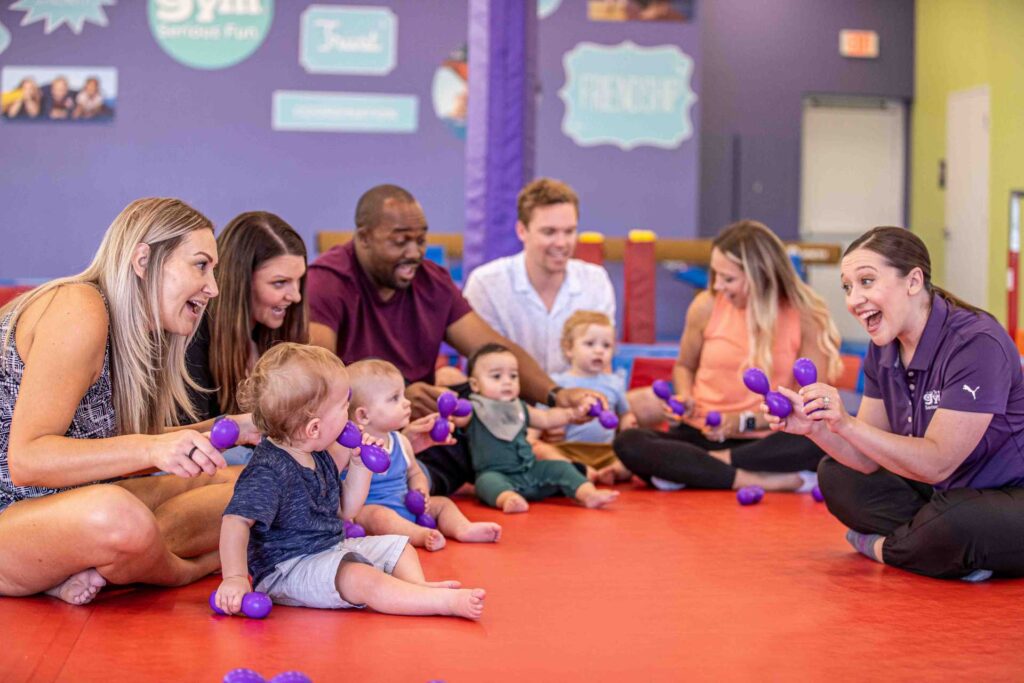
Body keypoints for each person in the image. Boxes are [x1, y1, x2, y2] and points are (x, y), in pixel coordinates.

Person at [0, 197, 249, 606]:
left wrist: (235, 429)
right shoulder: (78, 307)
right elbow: (27, 461)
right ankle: (176, 569)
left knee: (257, 486)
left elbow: (113, 444)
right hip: (16, 512)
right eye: (201, 265)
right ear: (143, 260)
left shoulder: (137, 332)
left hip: (61, 507)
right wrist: (153, 447)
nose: (214, 288)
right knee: (115, 515)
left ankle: (104, 564)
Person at [306, 184, 603, 497]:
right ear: (363, 238)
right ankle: (408, 482)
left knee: (486, 396)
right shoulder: (328, 281)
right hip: (359, 430)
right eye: (400, 242)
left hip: (419, 423)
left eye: (420, 240)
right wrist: (392, 396)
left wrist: (557, 395)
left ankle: (425, 480)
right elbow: (320, 377)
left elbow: (491, 348)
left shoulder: (432, 281)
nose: (413, 252)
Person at [766, 227, 1024, 581]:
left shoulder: (976, 342)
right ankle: (937, 547)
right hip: (944, 494)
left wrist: (847, 422)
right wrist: (815, 428)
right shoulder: (884, 346)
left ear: (913, 281)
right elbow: (866, 458)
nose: (853, 299)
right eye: (847, 287)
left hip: (1006, 493)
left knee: (958, 521)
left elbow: (937, 463)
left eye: (866, 281)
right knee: (836, 475)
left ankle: (889, 548)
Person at [214, 343, 486, 620]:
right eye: (345, 406)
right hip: (287, 569)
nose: (350, 414)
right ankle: (439, 602)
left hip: (329, 550)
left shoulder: (318, 455)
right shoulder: (268, 470)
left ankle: (416, 590)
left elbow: (347, 510)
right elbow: (235, 521)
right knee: (361, 578)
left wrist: (359, 467)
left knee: (399, 546)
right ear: (314, 428)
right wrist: (235, 577)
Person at [613, 220, 843, 492]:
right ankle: (757, 480)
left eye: (729, 278)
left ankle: (698, 469)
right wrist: (684, 397)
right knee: (629, 441)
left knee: (822, 434)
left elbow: (807, 403)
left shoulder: (806, 316)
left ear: (759, 275)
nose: (718, 285)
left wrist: (741, 422)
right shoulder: (705, 305)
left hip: (767, 440)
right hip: (700, 433)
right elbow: (685, 366)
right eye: (715, 275)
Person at [342, 359, 502, 550]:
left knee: (443, 503)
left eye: (403, 395)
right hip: (369, 511)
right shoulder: (351, 448)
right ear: (363, 416)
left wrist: (421, 491)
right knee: (379, 517)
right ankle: (420, 535)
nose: (406, 402)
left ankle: (462, 528)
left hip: (405, 504)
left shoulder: (401, 442)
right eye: (395, 398)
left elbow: (414, 473)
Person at [462, 178, 615, 376]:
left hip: (580, 401)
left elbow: (602, 367)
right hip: (507, 403)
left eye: (569, 231)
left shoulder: (596, 281)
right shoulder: (486, 284)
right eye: (549, 232)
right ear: (522, 231)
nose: (561, 243)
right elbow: (482, 368)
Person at [466, 343, 619, 513]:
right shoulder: (473, 409)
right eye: (496, 376)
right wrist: (450, 409)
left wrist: (572, 414)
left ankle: (588, 494)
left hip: (531, 471)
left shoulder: (520, 407)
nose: (507, 382)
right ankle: (508, 499)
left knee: (562, 468)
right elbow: (457, 418)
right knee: (485, 483)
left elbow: (546, 418)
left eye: (513, 376)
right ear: (475, 385)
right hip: (497, 474)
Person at [185, 211, 308, 423]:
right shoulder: (192, 339)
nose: (296, 296)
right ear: (240, 282)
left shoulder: (269, 334)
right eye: (279, 283)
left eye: (299, 281)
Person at [543, 310, 636, 485]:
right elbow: (541, 416)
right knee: (544, 453)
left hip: (606, 451)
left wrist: (627, 424)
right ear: (569, 348)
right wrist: (534, 437)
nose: (599, 351)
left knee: (632, 458)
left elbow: (625, 413)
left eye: (606, 345)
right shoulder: (558, 383)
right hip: (568, 450)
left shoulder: (614, 383)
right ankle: (578, 470)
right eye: (590, 343)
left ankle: (611, 471)